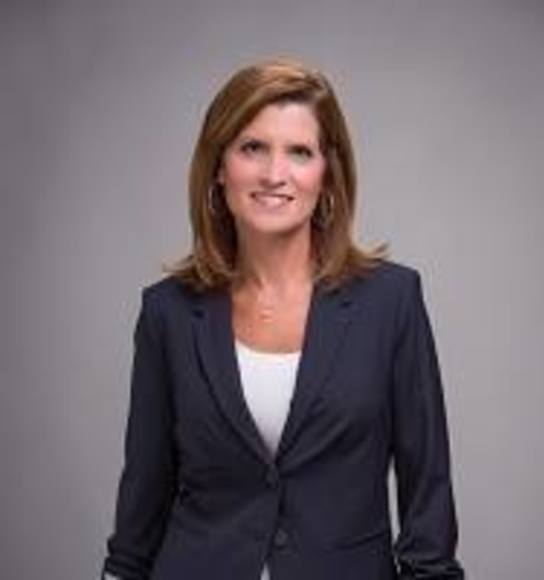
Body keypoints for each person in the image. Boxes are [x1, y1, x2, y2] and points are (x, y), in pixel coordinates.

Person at [101, 57, 465, 580]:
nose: (275, 174)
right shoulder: (168, 313)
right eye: (253, 148)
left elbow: (427, 490)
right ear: (219, 167)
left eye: (299, 152)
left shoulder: (391, 301)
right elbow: (144, 494)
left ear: (327, 172)